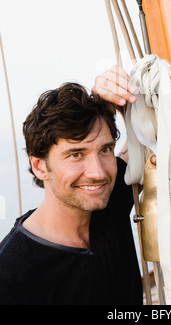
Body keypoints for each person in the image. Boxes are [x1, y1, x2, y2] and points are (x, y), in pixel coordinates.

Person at [0, 66, 142, 305]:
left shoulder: (107, 201)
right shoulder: (10, 276)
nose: (98, 173)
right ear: (39, 166)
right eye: (76, 154)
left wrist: (112, 99)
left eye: (105, 150)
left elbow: (144, 143)